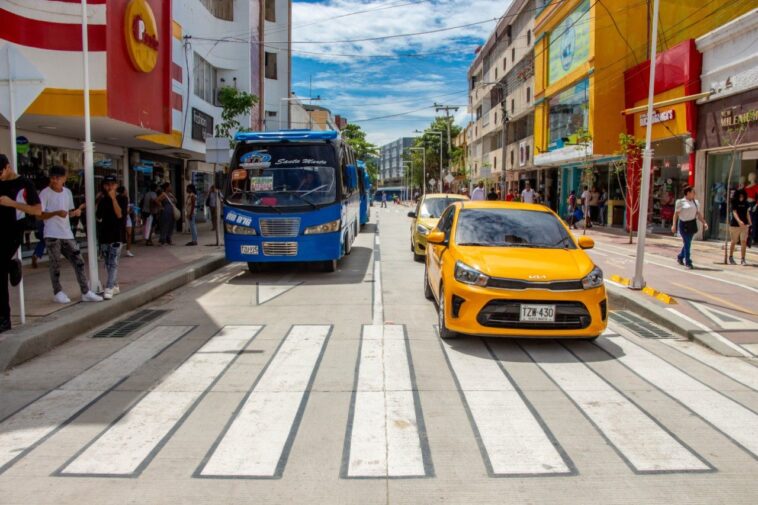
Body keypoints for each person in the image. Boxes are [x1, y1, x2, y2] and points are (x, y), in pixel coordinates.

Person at [39, 165, 102, 304]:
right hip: (52, 234)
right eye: (52, 178)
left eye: (57, 178)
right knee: (55, 264)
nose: (54, 180)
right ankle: (57, 291)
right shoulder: (44, 193)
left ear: (64, 179)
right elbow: (39, 215)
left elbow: (69, 212)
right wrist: (55, 213)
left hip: (67, 233)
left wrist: (75, 213)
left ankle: (85, 291)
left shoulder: (67, 192)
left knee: (79, 261)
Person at [0, 154, 42, 331]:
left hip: (13, 231)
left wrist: (12, 203)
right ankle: (10, 265)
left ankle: (4, 319)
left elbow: (37, 210)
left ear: (8, 167)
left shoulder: (24, 184)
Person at [97, 175, 127, 300]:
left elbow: (120, 214)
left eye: (112, 184)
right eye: (107, 184)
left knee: (113, 262)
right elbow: (98, 216)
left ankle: (109, 287)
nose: (109, 187)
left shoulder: (122, 199)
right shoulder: (103, 200)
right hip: (104, 235)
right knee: (108, 263)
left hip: (116, 234)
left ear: (116, 185)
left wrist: (114, 199)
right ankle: (114, 284)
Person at [672, 186, 709, 270]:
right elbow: (676, 214)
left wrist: (704, 223)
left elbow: (698, 214)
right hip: (683, 225)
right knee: (687, 242)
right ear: (688, 193)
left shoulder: (695, 202)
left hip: (692, 224)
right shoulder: (680, 202)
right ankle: (688, 261)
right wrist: (674, 225)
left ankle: (680, 257)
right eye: (693, 192)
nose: (694, 194)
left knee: (687, 243)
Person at [728, 189, 752, 266]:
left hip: (744, 225)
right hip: (735, 225)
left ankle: (743, 259)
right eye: (740, 196)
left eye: (743, 196)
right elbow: (734, 212)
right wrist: (739, 221)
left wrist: (750, 223)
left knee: (744, 241)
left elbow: (747, 213)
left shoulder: (746, 203)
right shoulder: (734, 202)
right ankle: (731, 257)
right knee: (734, 241)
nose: (741, 197)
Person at [118, 186, 135, 257]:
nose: (127, 191)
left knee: (127, 234)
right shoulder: (124, 198)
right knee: (127, 234)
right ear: (123, 191)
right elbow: (125, 211)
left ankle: (126, 250)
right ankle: (126, 250)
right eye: (126, 190)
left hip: (125, 218)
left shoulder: (119, 198)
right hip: (124, 218)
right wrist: (130, 210)